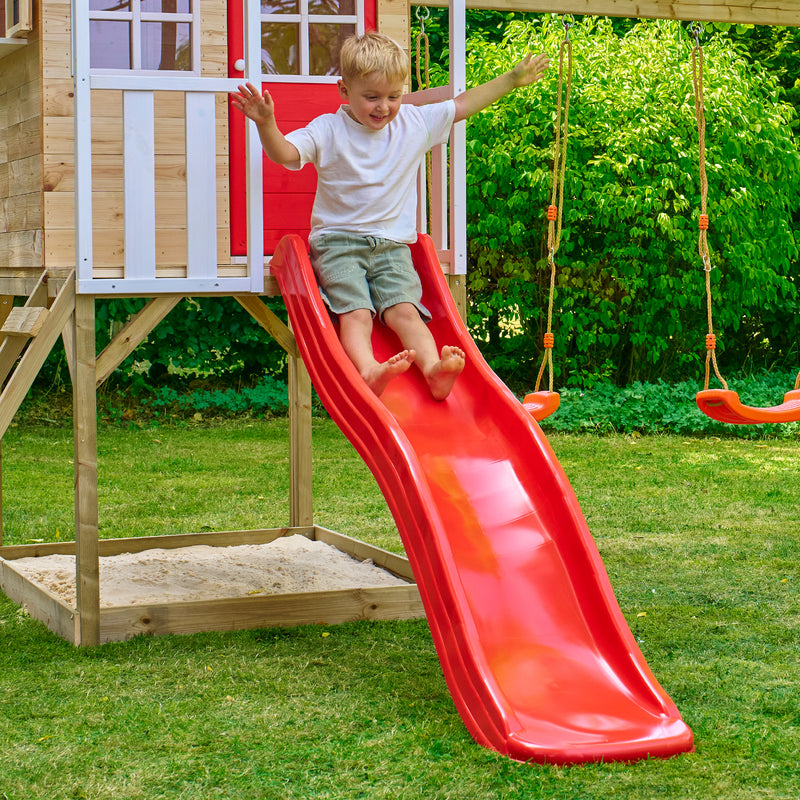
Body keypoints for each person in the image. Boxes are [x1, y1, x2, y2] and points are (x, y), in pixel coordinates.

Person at [232, 32, 549, 400]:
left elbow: (462, 106)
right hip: (338, 243)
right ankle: (368, 371)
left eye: (393, 96)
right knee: (357, 314)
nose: (384, 106)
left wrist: (511, 80)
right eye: (372, 97)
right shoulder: (329, 129)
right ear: (343, 90)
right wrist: (265, 123)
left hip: (392, 247)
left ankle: (433, 370)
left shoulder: (412, 123)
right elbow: (286, 154)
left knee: (405, 312)